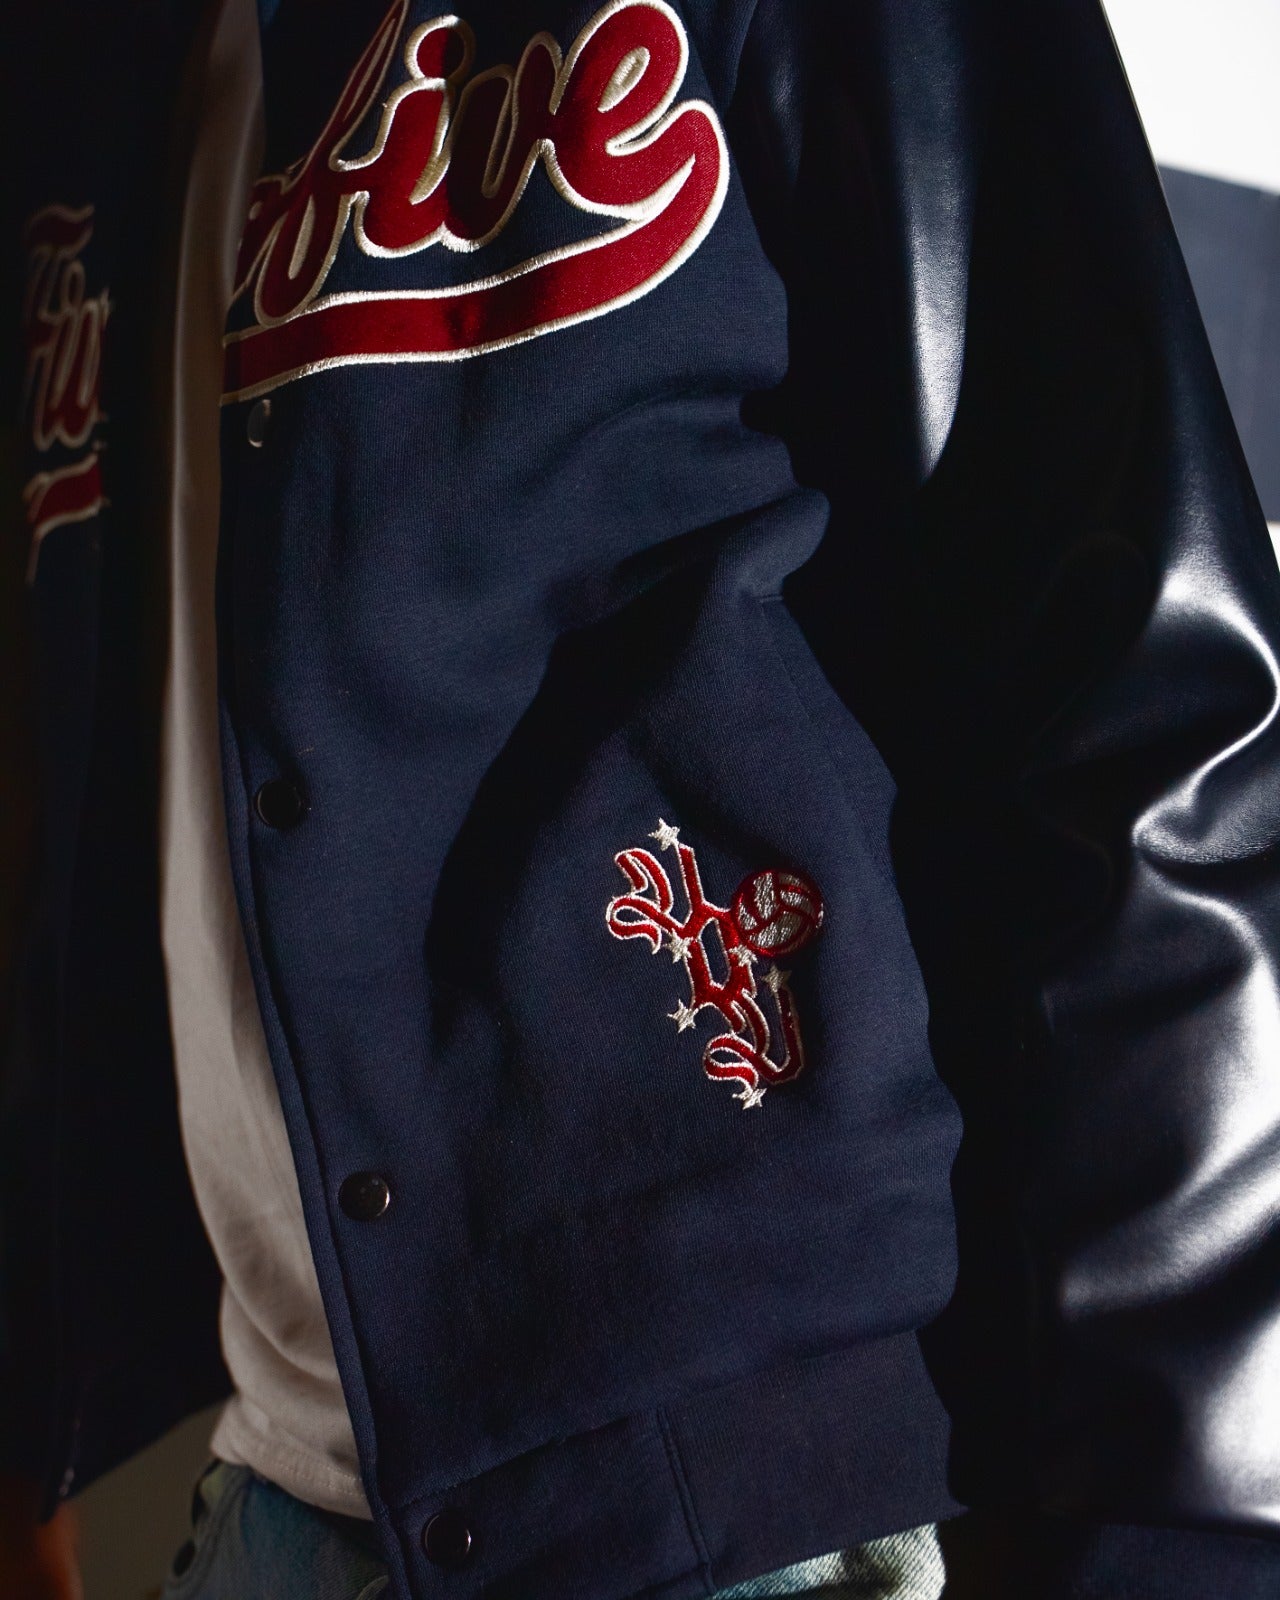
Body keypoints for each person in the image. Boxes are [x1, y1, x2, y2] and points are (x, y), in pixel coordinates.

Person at [4, 0, 1280, 1595]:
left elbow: (1143, 691)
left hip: (752, 1505)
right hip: (273, 1498)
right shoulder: (90, 70)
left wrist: (1192, 1524)